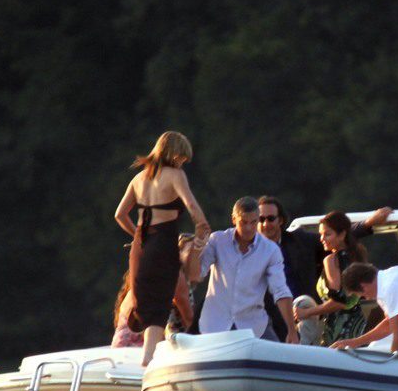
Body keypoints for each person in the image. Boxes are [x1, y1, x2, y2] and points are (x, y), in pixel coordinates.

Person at [114, 131, 210, 365]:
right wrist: (202, 225)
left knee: (144, 299)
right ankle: (148, 358)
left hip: (140, 245)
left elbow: (119, 214)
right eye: (181, 158)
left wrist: (139, 236)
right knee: (160, 300)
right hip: (163, 243)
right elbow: (190, 204)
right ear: (173, 154)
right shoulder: (175, 175)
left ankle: (146, 355)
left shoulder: (138, 179)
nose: (181, 163)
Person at [257, 196, 392, 340]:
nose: (265, 224)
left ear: (281, 220)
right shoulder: (250, 253)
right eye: (261, 219)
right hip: (270, 323)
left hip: (308, 317)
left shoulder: (299, 241)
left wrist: (368, 223)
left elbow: (336, 236)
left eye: (270, 218)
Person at [187, 197, 299, 343]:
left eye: (253, 222)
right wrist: (197, 246)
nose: (248, 228)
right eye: (243, 222)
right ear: (234, 219)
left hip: (253, 326)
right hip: (215, 325)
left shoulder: (270, 250)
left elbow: (280, 291)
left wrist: (291, 330)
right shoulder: (218, 240)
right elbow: (195, 276)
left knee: (279, 357)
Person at [292, 211, 369, 346]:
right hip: (358, 325)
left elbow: (339, 302)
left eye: (327, 234)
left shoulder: (331, 260)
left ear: (342, 234)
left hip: (339, 329)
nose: (322, 239)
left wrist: (307, 312)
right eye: (321, 234)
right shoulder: (357, 255)